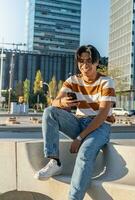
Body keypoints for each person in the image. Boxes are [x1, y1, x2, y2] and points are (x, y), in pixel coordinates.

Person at [34, 45, 116, 200]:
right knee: (49, 112)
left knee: (84, 153)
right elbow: (55, 102)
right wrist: (62, 102)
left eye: (89, 61)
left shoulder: (106, 82)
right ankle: (55, 161)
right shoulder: (72, 80)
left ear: (97, 62)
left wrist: (79, 138)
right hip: (78, 122)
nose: (85, 65)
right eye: (81, 61)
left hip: (100, 126)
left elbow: (103, 115)